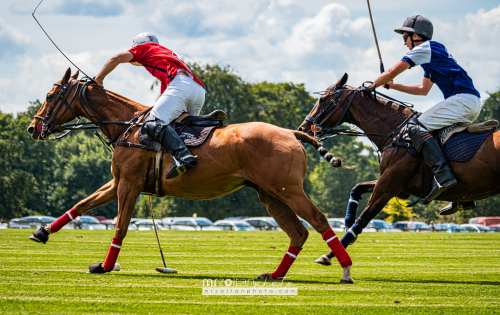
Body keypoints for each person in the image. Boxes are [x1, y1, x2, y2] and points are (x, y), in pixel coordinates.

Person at [369, 15, 481, 212]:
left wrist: (369, 86)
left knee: (414, 126)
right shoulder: (432, 55)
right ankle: (462, 197)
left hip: (462, 100)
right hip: (468, 103)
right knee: (436, 136)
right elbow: (423, 89)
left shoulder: (426, 48)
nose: (404, 43)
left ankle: (444, 177)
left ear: (417, 36)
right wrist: (393, 86)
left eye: (405, 37)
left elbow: (391, 71)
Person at [94, 33, 206, 179]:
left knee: (152, 123)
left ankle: (182, 157)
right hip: (197, 89)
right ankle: (201, 138)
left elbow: (116, 59)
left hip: (181, 86)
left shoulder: (144, 48)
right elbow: (166, 92)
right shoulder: (166, 52)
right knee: (182, 126)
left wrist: (98, 79)